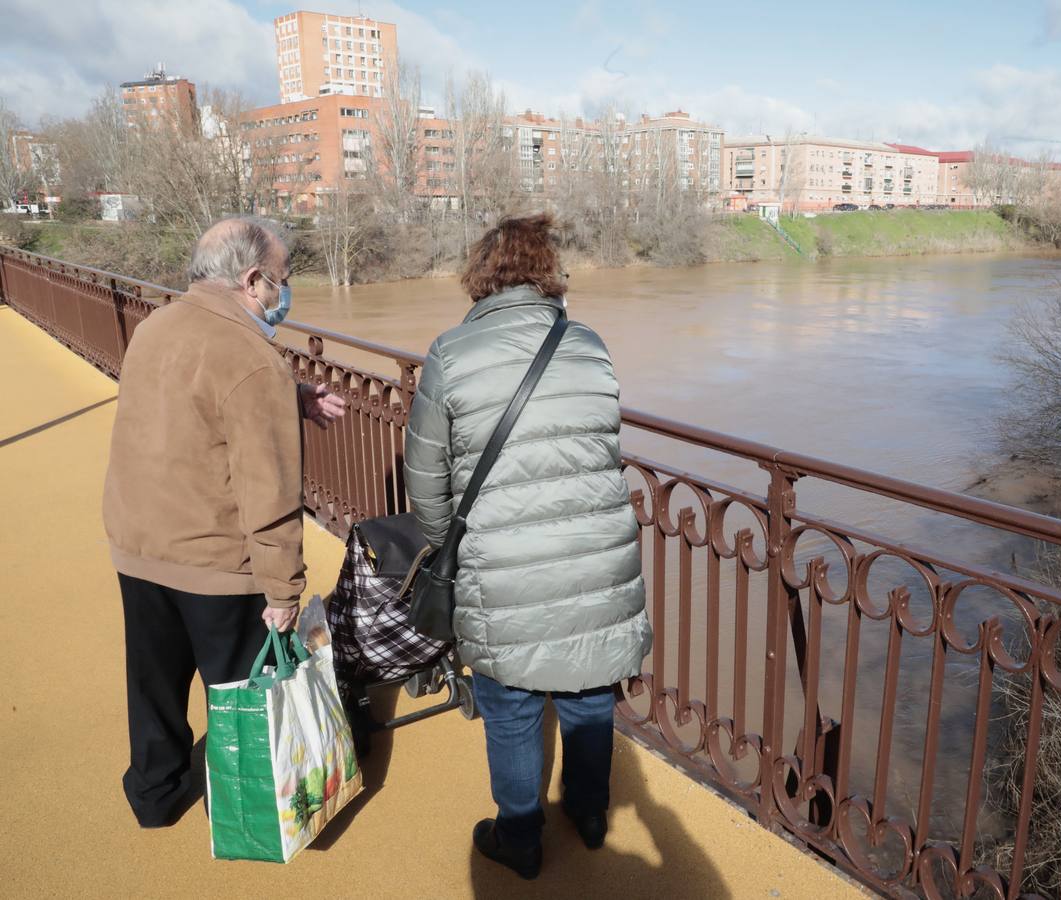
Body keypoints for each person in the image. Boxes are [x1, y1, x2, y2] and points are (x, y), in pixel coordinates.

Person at [405, 214, 651, 880]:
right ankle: (591, 812)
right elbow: (603, 446)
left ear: (480, 277)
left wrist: (445, 546)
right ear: (549, 274)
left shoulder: (452, 353)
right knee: (589, 689)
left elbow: (426, 480)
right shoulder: (587, 343)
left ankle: (520, 836)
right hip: (598, 555)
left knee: (511, 704)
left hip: (501, 562)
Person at [102, 216, 346, 828]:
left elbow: (193, 400)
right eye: (283, 280)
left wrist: (288, 396)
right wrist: (283, 589)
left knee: (153, 682)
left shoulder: (157, 323)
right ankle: (244, 811)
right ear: (253, 279)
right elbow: (269, 491)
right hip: (215, 561)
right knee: (239, 694)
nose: (284, 294)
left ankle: (155, 798)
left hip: (140, 543)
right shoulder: (251, 356)